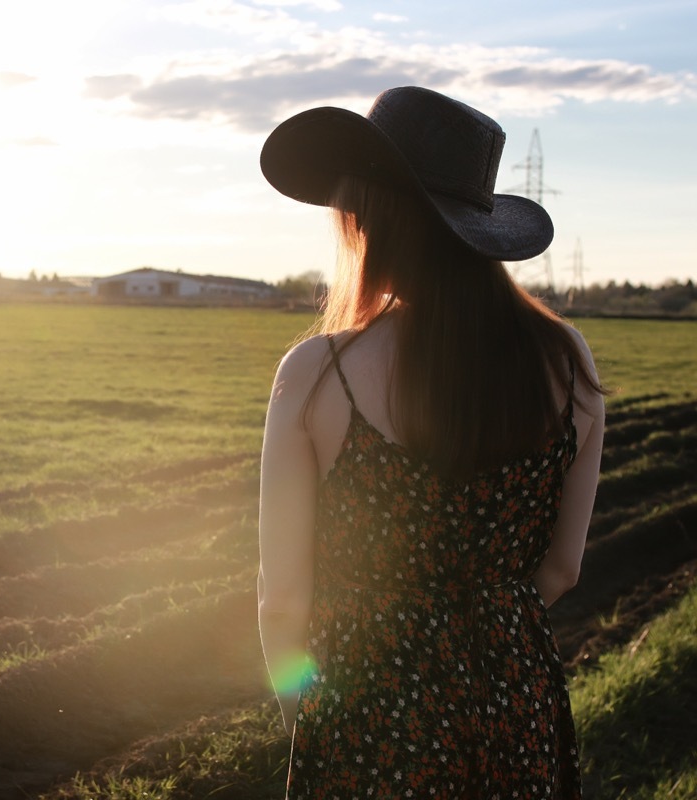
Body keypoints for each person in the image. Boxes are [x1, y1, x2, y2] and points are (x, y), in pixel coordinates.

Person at [256, 86, 605, 799]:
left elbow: (284, 601)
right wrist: (483, 632)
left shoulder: (319, 374)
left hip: (370, 715)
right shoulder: (568, 361)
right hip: (518, 706)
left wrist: (311, 718)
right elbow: (562, 569)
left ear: (369, 218)